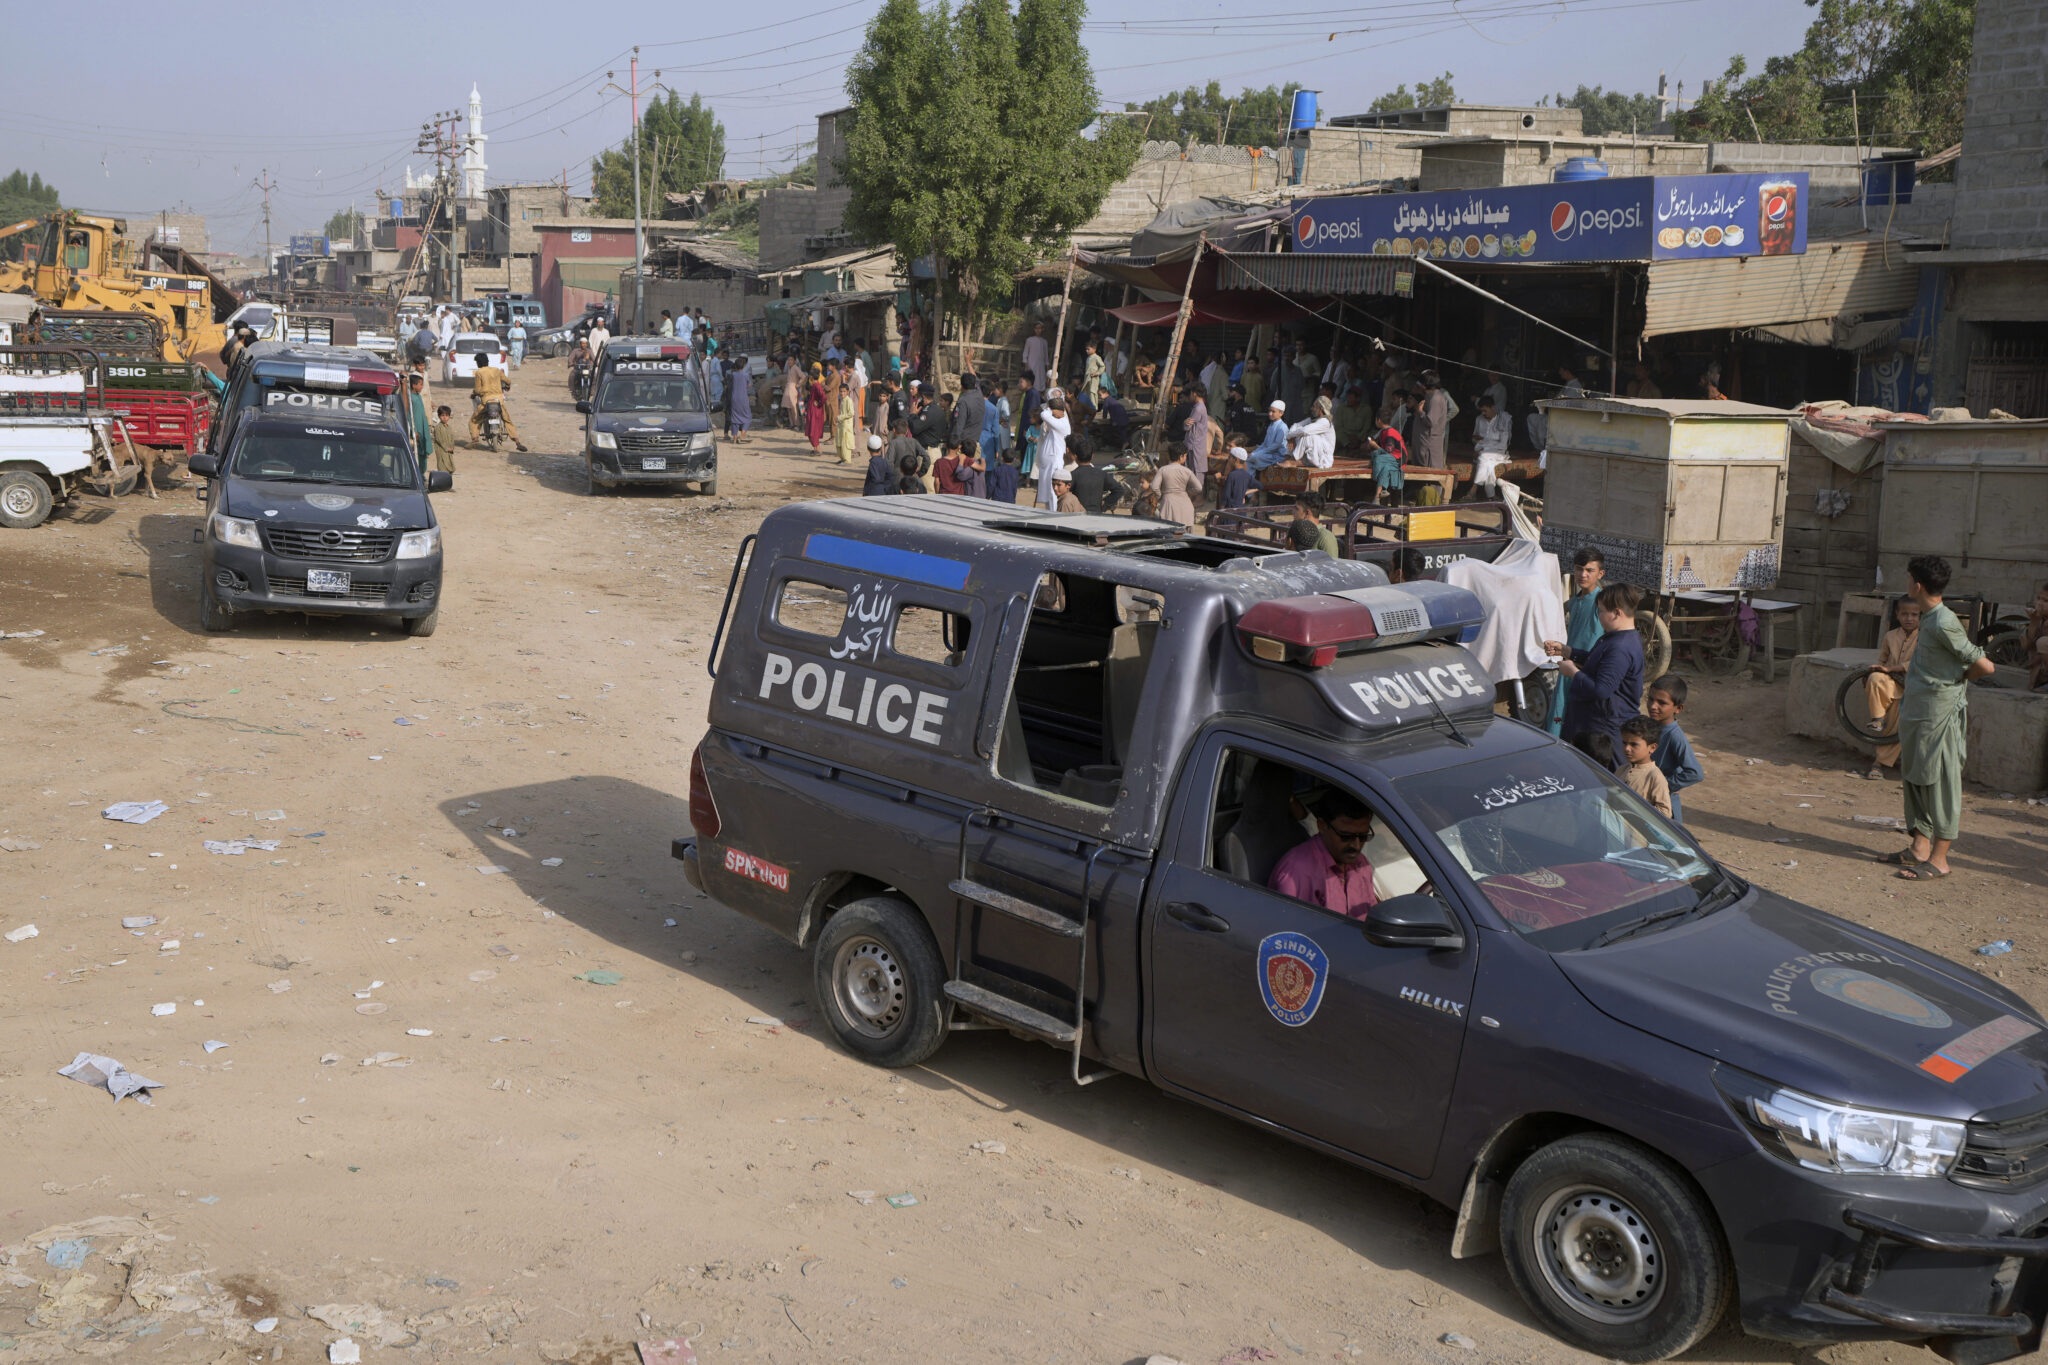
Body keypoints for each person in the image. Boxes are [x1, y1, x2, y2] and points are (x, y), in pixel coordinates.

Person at [1886, 555, 1996, 880]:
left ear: (1917, 585)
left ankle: (1940, 859)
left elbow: (1985, 665)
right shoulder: (1929, 618)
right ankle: (1919, 848)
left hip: (1940, 715)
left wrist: (1956, 681)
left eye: (1908, 578)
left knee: (1942, 781)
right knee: (1916, 776)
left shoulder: (1945, 622)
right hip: (1919, 712)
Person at [1544, 581, 1645, 772]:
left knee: (1606, 776)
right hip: (1594, 721)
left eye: (1601, 611)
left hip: (1606, 726)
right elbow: (1595, 662)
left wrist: (1572, 672)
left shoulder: (1620, 648)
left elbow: (1601, 689)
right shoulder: (1614, 637)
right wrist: (1567, 651)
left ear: (1616, 613)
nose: (1599, 617)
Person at [1268, 789, 1379, 920]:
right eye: (1346, 836)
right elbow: (1295, 934)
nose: (1356, 846)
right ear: (1322, 826)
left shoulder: (1361, 864)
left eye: (1363, 836)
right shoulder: (1298, 873)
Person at [1547, 547, 1607, 735]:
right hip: (1569, 666)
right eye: (1579, 569)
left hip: (1587, 672)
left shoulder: (1602, 602)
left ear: (1600, 573)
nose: (1583, 574)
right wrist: (1562, 650)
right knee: (1559, 715)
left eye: (1589, 570)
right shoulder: (1574, 601)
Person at [1862, 600, 1921, 773]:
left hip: (1914, 687)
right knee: (1875, 678)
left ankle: (1879, 764)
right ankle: (1878, 719)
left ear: (1921, 616)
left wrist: (1892, 668)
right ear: (1897, 615)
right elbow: (1882, 661)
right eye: (1904, 614)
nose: (1909, 618)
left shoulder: (1926, 638)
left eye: (1914, 615)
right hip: (1891, 685)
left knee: (1897, 727)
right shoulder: (1890, 636)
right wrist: (1871, 672)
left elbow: (1921, 663)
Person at [1644, 673, 1704, 821]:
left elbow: (1695, 773)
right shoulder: (1649, 727)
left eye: (1661, 703)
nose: (1653, 706)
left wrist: (1665, 785)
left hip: (1664, 806)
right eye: (1650, 699)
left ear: (1678, 708)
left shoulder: (1674, 736)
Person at [466, 353, 528, 451]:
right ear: (487, 361)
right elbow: (507, 381)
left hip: (486, 401)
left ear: (478, 363)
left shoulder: (479, 373)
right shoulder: (496, 370)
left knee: (474, 420)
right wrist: (507, 385)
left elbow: (477, 390)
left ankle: (475, 439)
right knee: (507, 420)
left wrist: (474, 394)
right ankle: (517, 442)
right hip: (499, 401)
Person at [1620, 717, 1674, 818]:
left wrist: (1634, 807)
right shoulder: (1622, 769)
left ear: (1652, 748)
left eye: (1634, 744)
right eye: (1624, 743)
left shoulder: (1654, 776)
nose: (1627, 749)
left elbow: (1665, 813)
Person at [1034, 394, 1072, 509]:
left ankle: (1054, 512)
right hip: (1048, 463)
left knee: (1053, 491)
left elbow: (1043, 414)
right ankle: (1049, 511)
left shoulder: (1062, 423)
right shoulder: (1057, 421)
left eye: (1053, 411)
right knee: (1047, 493)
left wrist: (1049, 409)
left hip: (1054, 461)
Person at [1149, 446, 1200, 529]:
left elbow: (1154, 486)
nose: (1185, 458)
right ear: (1181, 456)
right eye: (1185, 456)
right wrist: (1188, 493)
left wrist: (1160, 497)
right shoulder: (1187, 471)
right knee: (1185, 535)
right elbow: (1198, 488)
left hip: (1168, 504)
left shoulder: (1163, 470)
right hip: (1185, 504)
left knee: (1168, 533)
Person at [1472, 395, 1513, 491]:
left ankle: (1473, 489)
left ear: (1492, 407)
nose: (1483, 413)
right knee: (1488, 464)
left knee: (1483, 456)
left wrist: (1484, 449)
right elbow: (1474, 438)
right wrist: (1477, 440)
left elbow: (1503, 445)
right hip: (1480, 451)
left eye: (1485, 410)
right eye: (1481, 411)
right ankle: (1491, 495)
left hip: (1498, 453)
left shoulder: (1503, 420)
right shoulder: (1479, 419)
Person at [1068, 446, 1125, 515]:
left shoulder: (1072, 475)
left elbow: (1064, 495)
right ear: (1092, 456)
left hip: (1078, 516)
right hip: (1097, 515)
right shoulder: (1101, 474)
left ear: (1075, 457)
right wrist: (1105, 504)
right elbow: (1119, 490)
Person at [1284, 397, 1337, 470]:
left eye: (1314, 406)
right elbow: (1296, 425)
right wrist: (1291, 438)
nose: (1311, 408)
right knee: (1297, 432)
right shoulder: (1313, 419)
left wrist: (1289, 436)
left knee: (1307, 436)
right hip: (1314, 456)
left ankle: (1292, 461)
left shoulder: (1325, 422)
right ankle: (1287, 458)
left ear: (1320, 409)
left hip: (1323, 459)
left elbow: (1305, 431)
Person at [1410, 370, 1449, 469]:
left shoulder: (1435, 398)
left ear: (1424, 385)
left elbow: (1430, 421)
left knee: (1429, 473)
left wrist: (1420, 411)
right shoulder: (1429, 396)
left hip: (1429, 445)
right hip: (1423, 443)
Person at [1292, 491, 1341, 557]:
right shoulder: (1296, 532)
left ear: (1307, 513)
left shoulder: (1325, 538)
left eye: (1296, 509)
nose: (1293, 512)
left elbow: (1331, 565)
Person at [1248, 399, 1291, 473]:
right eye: (1269, 411)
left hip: (1277, 456)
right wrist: (1256, 451)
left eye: (1273, 411)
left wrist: (1258, 453)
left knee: (1254, 457)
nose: (1270, 414)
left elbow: (1276, 446)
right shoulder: (1271, 425)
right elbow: (1265, 444)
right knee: (1249, 460)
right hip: (1268, 453)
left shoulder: (1282, 427)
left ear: (1281, 413)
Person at [1182, 386, 1212, 485]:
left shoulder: (1198, 408)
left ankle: (1197, 495)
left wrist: (1185, 422)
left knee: (1196, 469)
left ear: (1194, 394)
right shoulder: (1200, 406)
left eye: (1190, 394)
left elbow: (1187, 427)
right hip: (1196, 444)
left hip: (1195, 444)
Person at [2022, 580, 2048, 692]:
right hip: (2040, 674)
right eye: (2039, 598)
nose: (2040, 603)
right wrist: (2034, 622)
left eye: (2046, 601)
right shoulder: (2040, 619)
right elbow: (2026, 645)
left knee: (2043, 642)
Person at [1371, 428, 1407, 505]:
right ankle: (1380, 494)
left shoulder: (1390, 433)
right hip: (1391, 458)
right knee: (1378, 459)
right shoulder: (1383, 432)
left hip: (1397, 459)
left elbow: (1388, 451)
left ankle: (1377, 495)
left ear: (1378, 420)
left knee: (1379, 459)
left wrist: (1375, 446)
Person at [831, 360, 857, 465]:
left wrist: (840, 417)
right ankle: (842, 458)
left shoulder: (849, 401)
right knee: (839, 443)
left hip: (846, 426)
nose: (842, 393)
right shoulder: (842, 401)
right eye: (841, 391)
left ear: (848, 392)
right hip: (841, 425)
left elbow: (851, 413)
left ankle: (847, 460)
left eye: (844, 392)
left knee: (846, 444)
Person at [1332, 386, 1372, 454]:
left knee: (1372, 435)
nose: (1348, 400)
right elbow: (1339, 426)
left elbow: (1367, 427)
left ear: (1358, 398)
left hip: (1360, 436)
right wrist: (1347, 440)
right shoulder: (1341, 408)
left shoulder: (1366, 409)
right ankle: (1348, 447)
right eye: (1347, 397)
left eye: (1351, 398)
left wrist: (1358, 438)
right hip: (1345, 435)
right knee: (1336, 433)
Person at [726, 355, 752, 442]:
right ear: (744, 365)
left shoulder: (732, 375)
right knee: (747, 416)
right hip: (743, 398)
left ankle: (734, 436)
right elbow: (749, 385)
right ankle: (743, 434)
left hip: (734, 398)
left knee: (735, 417)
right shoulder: (746, 375)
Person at [407, 374, 432, 463]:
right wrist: (414, 431)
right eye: (420, 384)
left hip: (422, 426)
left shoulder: (418, 396)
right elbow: (409, 415)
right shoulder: (409, 398)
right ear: (414, 385)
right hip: (416, 428)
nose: (422, 387)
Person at [1022, 320, 1051, 394]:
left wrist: (1048, 371)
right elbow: (1025, 354)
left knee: (1040, 386)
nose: (1038, 330)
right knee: (1031, 384)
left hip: (1041, 368)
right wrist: (1027, 366)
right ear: (1034, 329)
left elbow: (1046, 358)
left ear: (1042, 329)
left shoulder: (1044, 342)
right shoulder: (1029, 340)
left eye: (1040, 328)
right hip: (1031, 366)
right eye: (1036, 328)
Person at [804, 363, 827, 451]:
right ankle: (816, 449)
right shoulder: (814, 385)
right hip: (812, 410)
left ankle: (818, 449)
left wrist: (819, 404)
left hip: (815, 411)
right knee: (812, 430)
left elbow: (824, 397)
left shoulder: (817, 386)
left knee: (813, 431)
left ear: (811, 377)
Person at [430, 404, 458, 477]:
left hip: (449, 451)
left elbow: (452, 438)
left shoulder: (449, 427)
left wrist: (452, 447)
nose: (445, 418)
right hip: (441, 450)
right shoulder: (438, 427)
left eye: (447, 415)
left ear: (449, 416)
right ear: (439, 416)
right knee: (442, 466)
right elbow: (439, 440)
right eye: (442, 415)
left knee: (450, 465)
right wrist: (447, 448)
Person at [782, 353, 803, 431]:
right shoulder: (789, 368)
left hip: (793, 389)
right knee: (789, 407)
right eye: (788, 360)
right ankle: (792, 424)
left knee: (794, 407)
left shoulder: (795, 368)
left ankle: (797, 424)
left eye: (791, 360)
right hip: (788, 388)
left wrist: (798, 384)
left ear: (794, 361)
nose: (789, 361)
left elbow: (803, 376)